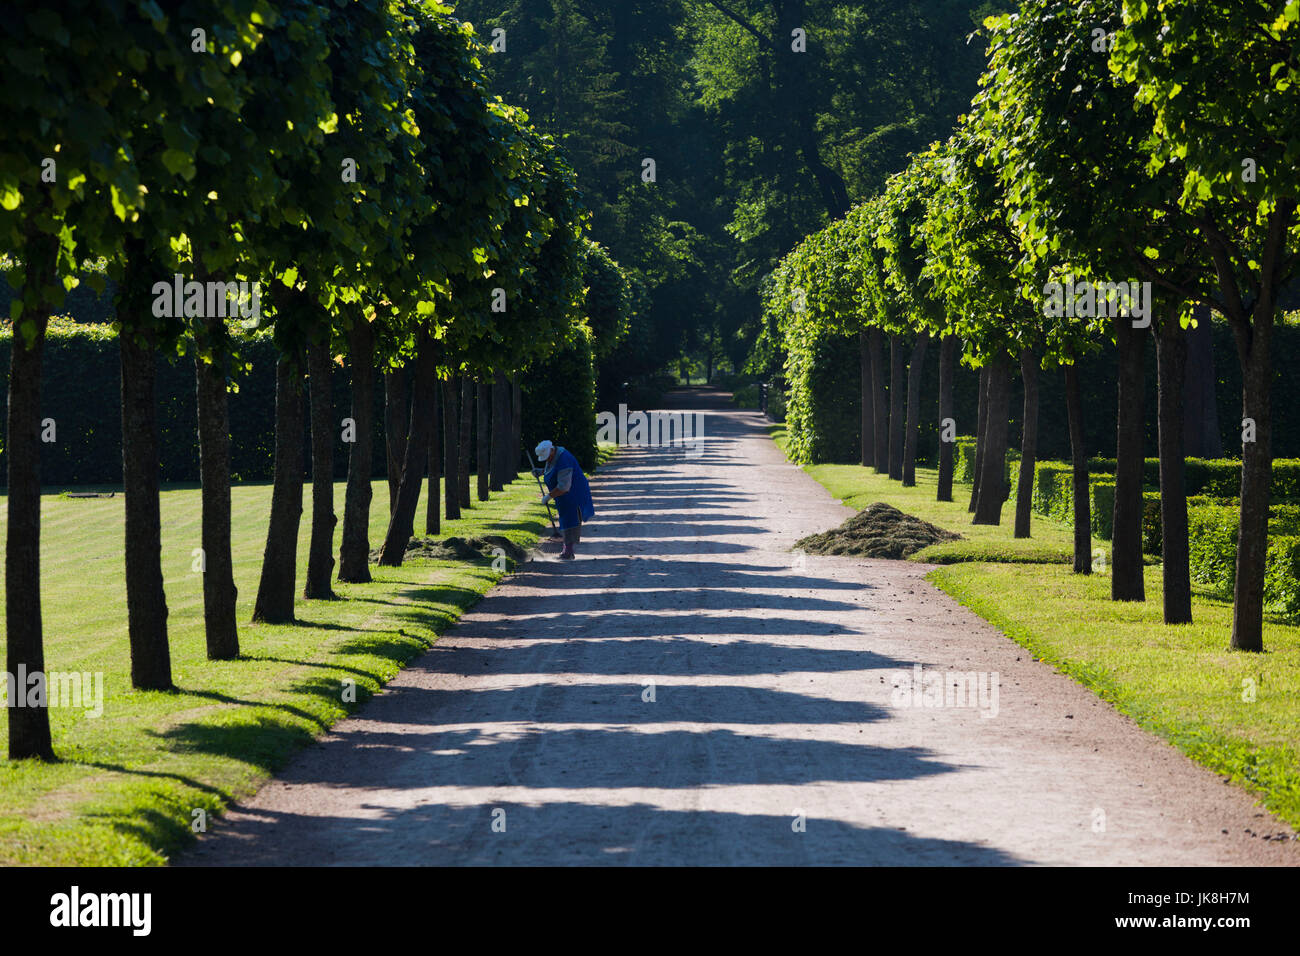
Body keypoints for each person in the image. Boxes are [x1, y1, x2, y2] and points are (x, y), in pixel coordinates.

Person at [535, 439, 594, 560]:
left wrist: (549, 496)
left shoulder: (563, 459)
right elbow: (553, 470)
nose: (546, 460)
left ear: (551, 450)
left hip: (573, 493)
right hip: (564, 495)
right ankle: (567, 550)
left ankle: (568, 552)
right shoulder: (554, 455)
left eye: (546, 457)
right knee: (565, 519)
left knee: (571, 520)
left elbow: (564, 486)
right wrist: (541, 471)